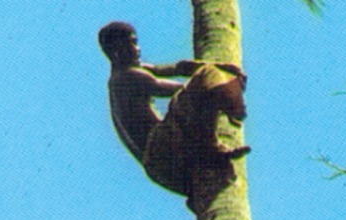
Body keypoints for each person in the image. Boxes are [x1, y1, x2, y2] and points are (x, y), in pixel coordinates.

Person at [97, 22, 249, 205]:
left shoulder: (126, 74)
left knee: (209, 75)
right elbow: (182, 89)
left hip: (167, 175)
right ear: (116, 51)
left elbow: (178, 68)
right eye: (131, 44)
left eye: (136, 43)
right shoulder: (128, 77)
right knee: (209, 77)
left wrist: (217, 66)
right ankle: (232, 118)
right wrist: (220, 79)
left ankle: (198, 189)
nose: (137, 49)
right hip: (163, 152)